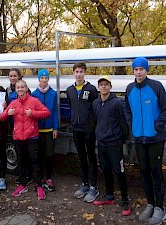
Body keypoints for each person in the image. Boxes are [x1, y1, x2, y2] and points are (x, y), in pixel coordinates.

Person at [124, 57, 166, 225]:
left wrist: (157, 125)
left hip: (155, 138)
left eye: (141, 69)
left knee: (155, 171)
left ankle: (160, 208)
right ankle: (150, 204)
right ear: (133, 71)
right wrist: (132, 125)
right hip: (139, 138)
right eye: (136, 69)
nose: (138, 71)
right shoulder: (130, 88)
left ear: (146, 70)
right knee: (143, 171)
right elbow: (127, 110)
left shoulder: (155, 86)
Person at [0, 80, 50, 200]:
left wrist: (33, 113)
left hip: (32, 136)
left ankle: (39, 185)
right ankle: (23, 184)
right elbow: (1, 117)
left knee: (35, 161)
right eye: (18, 87)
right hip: (18, 137)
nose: (20, 89)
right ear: (15, 89)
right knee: (22, 162)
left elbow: (46, 113)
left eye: (22, 87)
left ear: (26, 88)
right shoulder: (13, 103)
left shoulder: (34, 101)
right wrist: (7, 113)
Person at [91, 76, 131, 216]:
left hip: (114, 143)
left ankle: (125, 201)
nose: (104, 87)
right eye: (101, 85)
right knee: (105, 169)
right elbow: (96, 121)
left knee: (119, 172)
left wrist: (122, 140)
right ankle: (109, 196)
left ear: (110, 87)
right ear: (98, 87)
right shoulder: (96, 103)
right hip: (101, 143)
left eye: (106, 84)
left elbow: (123, 122)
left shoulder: (116, 103)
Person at [66, 62, 99, 203]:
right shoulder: (70, 90)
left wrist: (93, 124)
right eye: (76, 71)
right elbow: (71, 105)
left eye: (81, 71)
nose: (78, 74)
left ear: (85, 73)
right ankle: (85, 183)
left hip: (89, 129)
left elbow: (96, 107)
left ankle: (94, 186)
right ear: (73, 73)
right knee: (81, 157)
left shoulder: (91, 89)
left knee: (91, 157)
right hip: (76, 129)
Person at [31, 69, 59, 192]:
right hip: (37, 130)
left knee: (49, 154)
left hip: (49, 129)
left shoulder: (53, 93)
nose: (43, 80)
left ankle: (48, 177)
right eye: (41, 78)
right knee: (39, 155)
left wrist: (56, 128)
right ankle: (40, 177)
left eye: (46, 78)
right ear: (38, 79)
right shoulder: (34, 94)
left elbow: (55, 112)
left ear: (48, 79)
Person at [6, 68, 32, 185]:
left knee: (26, 151)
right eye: (11, 76)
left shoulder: (25, 89)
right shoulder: (7, 89)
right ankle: (22, 174)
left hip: (24, 124)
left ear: (19, 76)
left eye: (15, 76)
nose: (13, 78)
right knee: (19, 150)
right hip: (13, 124)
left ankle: (28, 174)